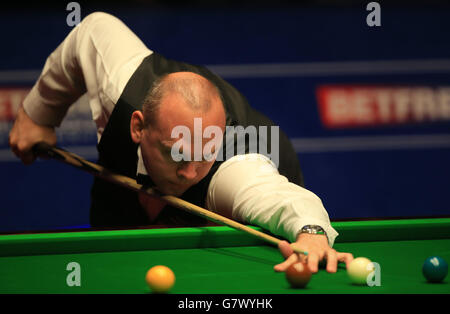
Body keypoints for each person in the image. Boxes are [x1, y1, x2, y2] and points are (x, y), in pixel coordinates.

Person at [9, 12, 353, 274]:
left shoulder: (233, 168)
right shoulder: (121, 89)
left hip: (252, 181)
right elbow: (93, 30)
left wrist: (309, 231)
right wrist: (38, 114)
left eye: (204, 154)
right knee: (111, 263)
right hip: (124, 192)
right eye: (177, 153)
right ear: (138, 127)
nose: (190, 172)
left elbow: (277, 198)